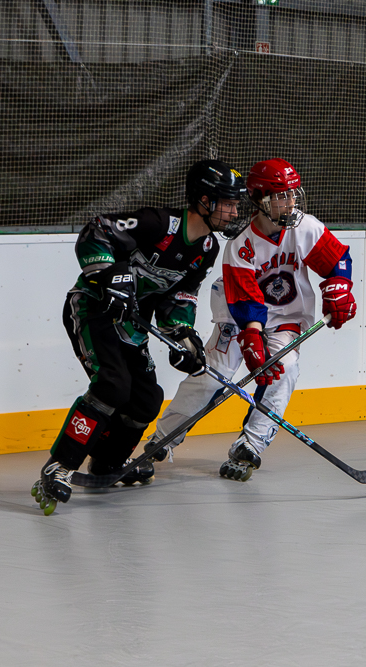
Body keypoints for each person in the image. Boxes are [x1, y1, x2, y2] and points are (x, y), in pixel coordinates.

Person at [31, 160, 247, 513]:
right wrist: (109, 271)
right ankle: (60, 466)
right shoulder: (158, 223)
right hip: (93, 310)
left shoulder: (206, 249)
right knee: (112, 385)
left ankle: (107, 463)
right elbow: (97, 230)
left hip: (131, 326)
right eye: (229, 202)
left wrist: (183, 336)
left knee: (146, 399)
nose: (235, 211)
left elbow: (181, 296)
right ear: (204, 201)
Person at [145, 158, 356, 482]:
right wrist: (252, 340)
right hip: (238, 317)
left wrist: (340, 287)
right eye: (281, 197)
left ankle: (251, 445)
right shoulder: (241, 245)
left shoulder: (305, 228)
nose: (290, 202)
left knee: (283, 372)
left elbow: (337, 259)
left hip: (286, 317)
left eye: (292, 194)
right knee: (212, 378)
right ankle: (162, 439)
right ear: (260, 200)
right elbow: (245, 301)